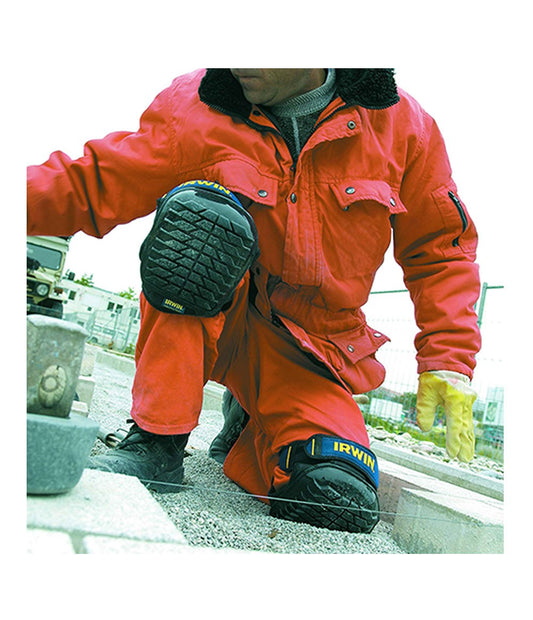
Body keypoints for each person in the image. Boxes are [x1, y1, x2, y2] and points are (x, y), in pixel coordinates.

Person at [27, 68, 481, 534]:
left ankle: (251, 427)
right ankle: (157, 441)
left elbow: (440, 251)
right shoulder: (197, 105)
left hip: (305, 349)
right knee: (201, 225)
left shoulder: (402, 128)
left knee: (333, 489)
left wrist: (448, 359)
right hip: (208, 313)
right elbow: (93, 182)